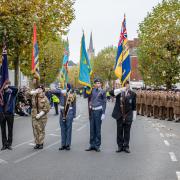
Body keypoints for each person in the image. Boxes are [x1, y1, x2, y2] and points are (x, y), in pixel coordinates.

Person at [110, 80, 136, 153]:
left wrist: (134, 116)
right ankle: (120, 146)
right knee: (119, 131)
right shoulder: (119, 92)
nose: (127, 85)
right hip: (119, 115)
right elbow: (111, 93)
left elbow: (134, 106)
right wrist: (120, 89)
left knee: (127, 131)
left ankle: (126, 146)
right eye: (125, 84)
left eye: (128, 84)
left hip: (128, 115)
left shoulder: (133, 94)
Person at [85, 78, 106, 152]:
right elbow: (86, 96)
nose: (97, 84)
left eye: (99, 83)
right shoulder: (92, 90)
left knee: (97, 129)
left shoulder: (103, 91)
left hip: (98, 111)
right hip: (92, 111)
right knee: (92, 129)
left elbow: (104, 102)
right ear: (94, 84)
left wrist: (103, 113)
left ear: (101, 84)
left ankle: (97, 145)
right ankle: (92, 144)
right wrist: (86, 87)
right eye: (96, 83)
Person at [30, 85, 50, 150]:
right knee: (35, 130)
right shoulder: (33, 96)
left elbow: (47, 108)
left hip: (42, 116)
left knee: (41, 130)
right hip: (34, 115)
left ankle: (41, 143)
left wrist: (41, 114)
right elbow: (26, 94)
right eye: (38, 88)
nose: (39, 89)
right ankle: (37, 143)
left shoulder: (45, 98)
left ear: (43, 90)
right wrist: (33, 92)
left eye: (40, 89)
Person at [0, 81, 18, 150]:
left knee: (10, 130)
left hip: (10, 113)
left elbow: (16, 89)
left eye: (7, 84)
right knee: (3, 130)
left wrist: (8, 86)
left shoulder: (12, 92)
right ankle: (4, 144)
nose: (5, 86)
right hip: (2, 113)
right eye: (4, 84)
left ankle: (9, 144)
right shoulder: (1, 92)